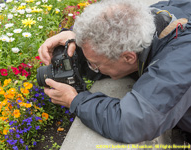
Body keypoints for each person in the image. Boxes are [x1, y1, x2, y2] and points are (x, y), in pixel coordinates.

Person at [38, 0, 191, 144]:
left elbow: (134, 122)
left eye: (95, 64)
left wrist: (75, 101)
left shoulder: (180, 61)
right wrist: (76, 43)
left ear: (128, 57)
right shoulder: (153, 19)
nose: (93, 68)